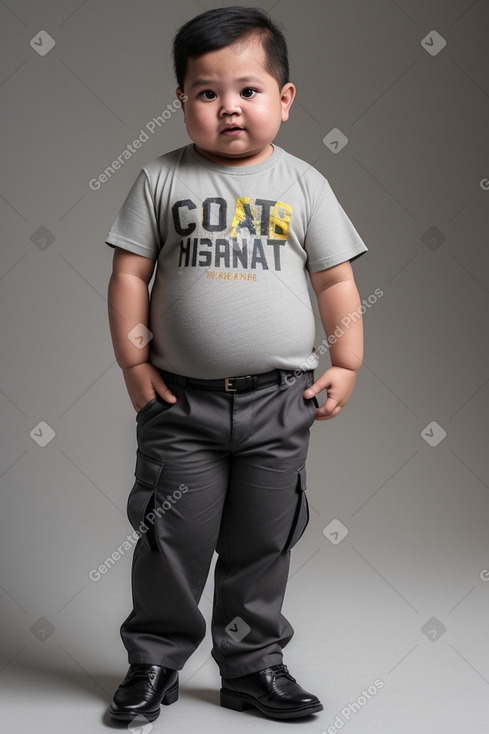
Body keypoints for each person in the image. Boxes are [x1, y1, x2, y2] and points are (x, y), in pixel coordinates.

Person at [105, 5, 367, 724]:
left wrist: (344, 359)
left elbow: (334, 281)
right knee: (169, 540)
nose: (228, 108)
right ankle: (153, 662)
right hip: (179, 407)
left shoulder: (304, 184)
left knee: (262, 540)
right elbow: (129, 277)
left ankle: (252, 667)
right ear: (182, 101)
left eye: (248, 90)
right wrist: (135, 369)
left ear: (284, 99)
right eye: (206, 92)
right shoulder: (161, 180)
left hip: (277, 402)